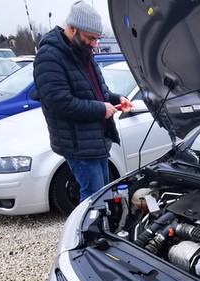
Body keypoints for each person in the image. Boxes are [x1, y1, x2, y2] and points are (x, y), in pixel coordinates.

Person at [33, 0, 133, 203]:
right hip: (78, 144)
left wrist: (117, 99)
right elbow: (60, 102)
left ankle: (101, 231)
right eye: (90, 38)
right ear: (72, 29)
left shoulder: (84, 52)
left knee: (102, 193)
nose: (94, 44)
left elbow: (99, 92)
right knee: (92, 198)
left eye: (97, 39)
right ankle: (85, 234)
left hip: (97, 139)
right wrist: (100, 109)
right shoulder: (49, 56)